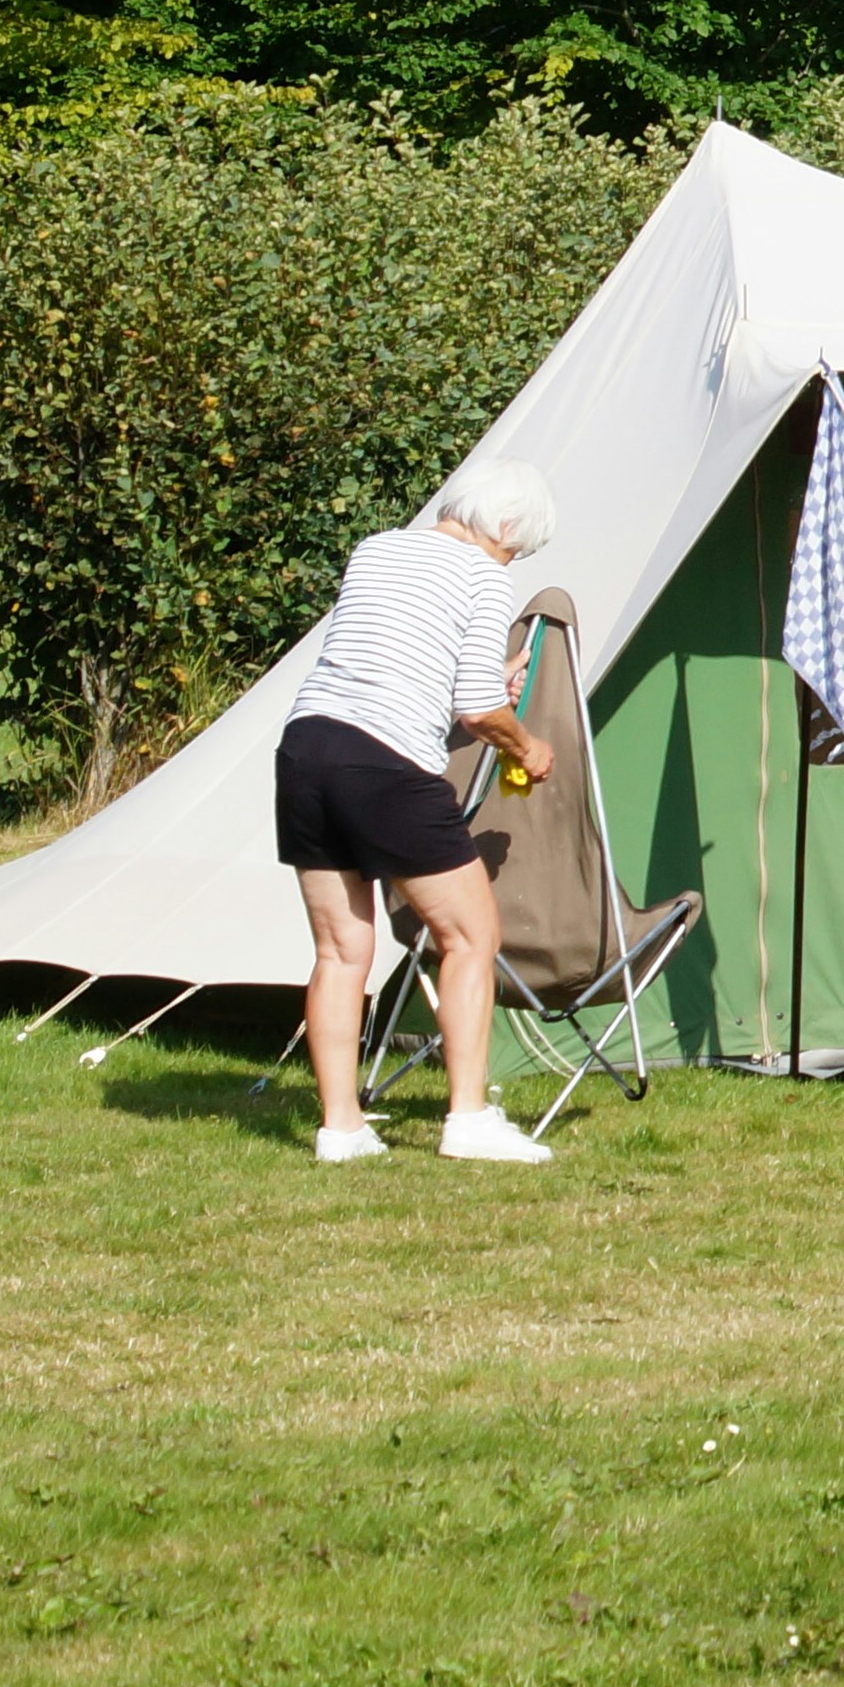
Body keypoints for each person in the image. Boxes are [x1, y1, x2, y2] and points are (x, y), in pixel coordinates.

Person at [281, 461, 559, 1166]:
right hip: (384, 767)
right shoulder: (483, 576)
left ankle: (340, 1129)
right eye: (516, 549)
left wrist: (490, 689)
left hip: (307, 748)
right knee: (471, 937)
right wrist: (528, 743)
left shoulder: (376, 549)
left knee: (341, 953)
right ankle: (468, 1118)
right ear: (501, 528)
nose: (511, 561)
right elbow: (475, 709)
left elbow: (398, 670)